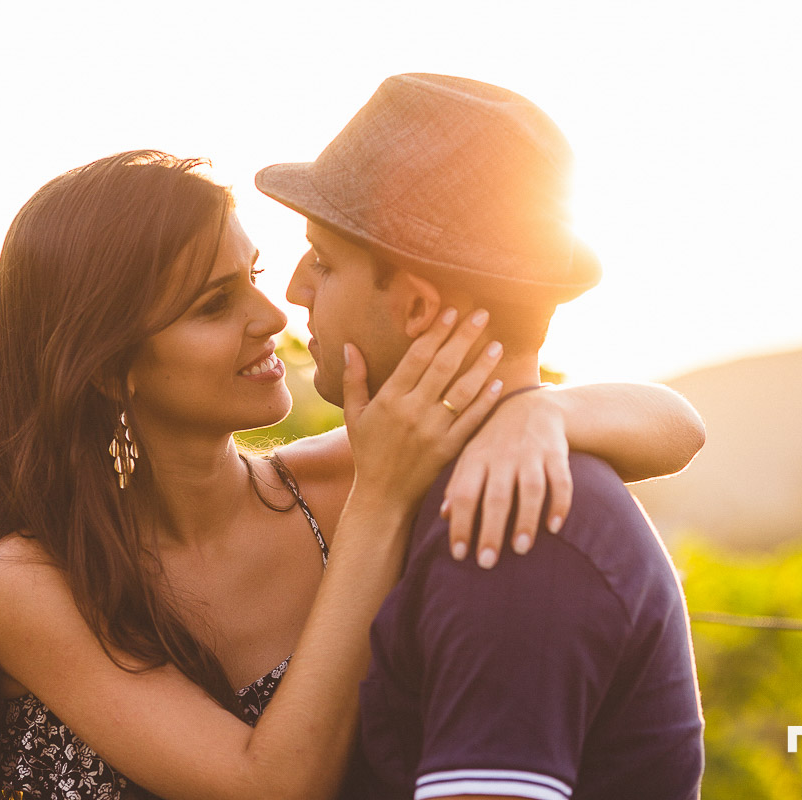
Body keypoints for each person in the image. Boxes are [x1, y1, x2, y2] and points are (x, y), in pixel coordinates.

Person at [0, 149, 704, 800]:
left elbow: (676, 427)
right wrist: (379, 508)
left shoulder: (341, 475)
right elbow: (269, 786)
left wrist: (542, 416)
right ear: (110, 368)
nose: (273, 318)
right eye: (214, 306)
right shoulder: (29, 578)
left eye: (253, 277)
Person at [255, 74, 705, 799]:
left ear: (418, 306)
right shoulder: (425, 479)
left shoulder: (514, 530)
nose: (295, 290)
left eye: (326, 261)